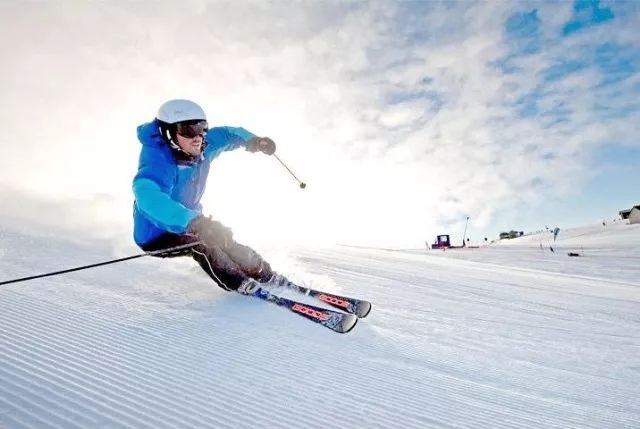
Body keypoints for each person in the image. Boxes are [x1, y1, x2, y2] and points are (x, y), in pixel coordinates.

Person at [132, 99, 277, 291]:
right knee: (201, 246)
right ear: (169, 133)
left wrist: (254, 141)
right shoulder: (157, 160)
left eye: (201, 127)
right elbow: (150, 199)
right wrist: (195, 223)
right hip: (157, 234)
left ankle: (264, 273)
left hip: (192, 221)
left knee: (224, 238)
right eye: (187, 129)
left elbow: (227, 134)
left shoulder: (201, 147)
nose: (197, 136)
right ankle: (240, 284)